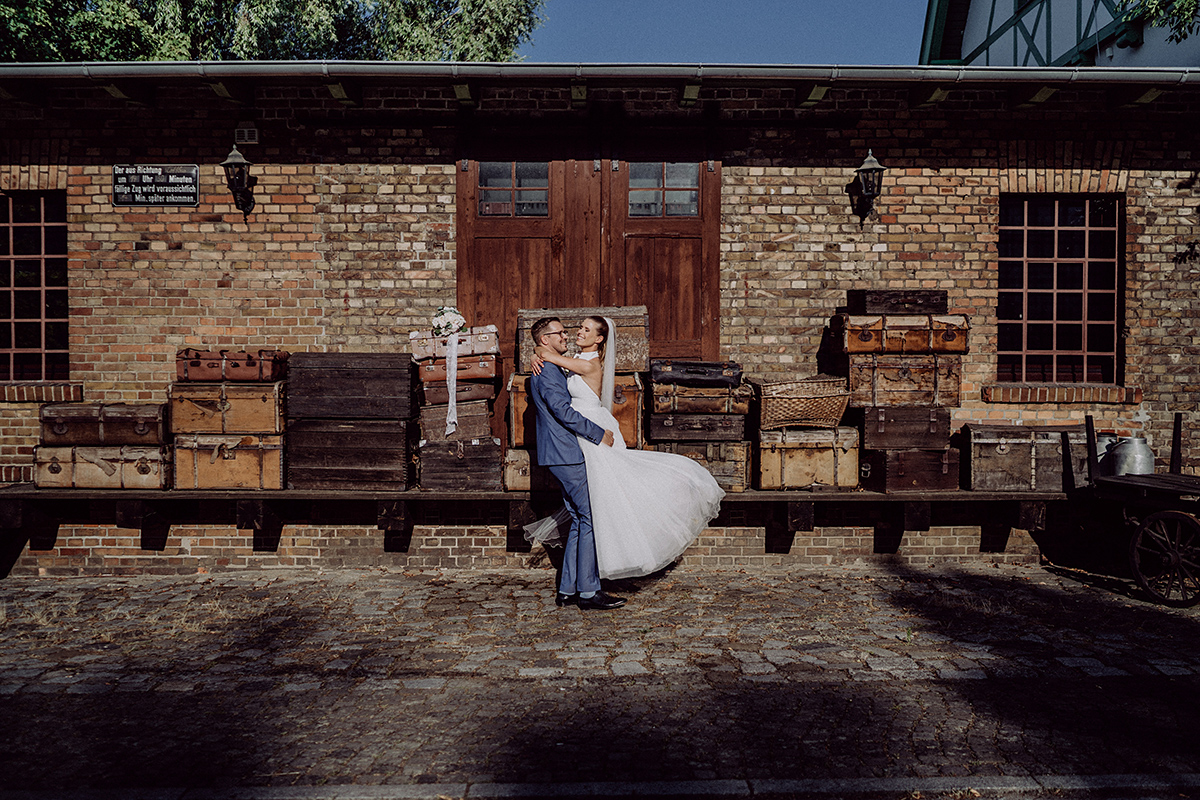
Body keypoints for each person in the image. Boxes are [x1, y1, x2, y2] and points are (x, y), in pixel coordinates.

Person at [528, 315, 725, 581]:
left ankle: (580, 585)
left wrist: (540, 351)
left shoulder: (586, 363)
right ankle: (583, 588)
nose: (572, 334)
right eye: (567, 331)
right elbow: (558, 389)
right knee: (590, 515)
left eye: (584, 329)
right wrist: (538, 351)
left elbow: (554, 360)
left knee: (598, 508)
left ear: (599, 338)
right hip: (580, 437)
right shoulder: (561, 364)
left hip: (590, 432)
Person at [527, 316, 626, 611]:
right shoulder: (548, 371)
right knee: (590, 518)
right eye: (560, 333)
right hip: (566, 452)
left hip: (564, 452)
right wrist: (597, 434)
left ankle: (568, 589)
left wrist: (539, 353)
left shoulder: (551, 362)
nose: (567, 336)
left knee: (579, 519)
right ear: (546, 339)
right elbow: (560, 408)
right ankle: (588, 592)